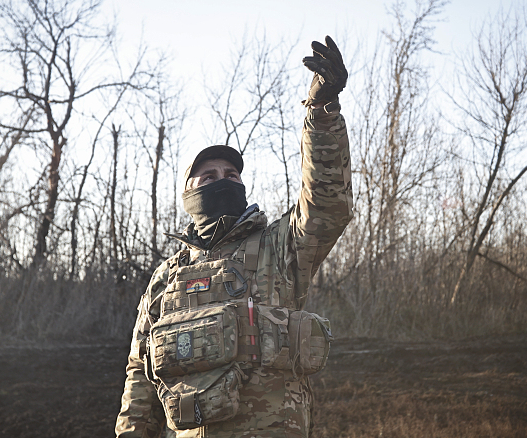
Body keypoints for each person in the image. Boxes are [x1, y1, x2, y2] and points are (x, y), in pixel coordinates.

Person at [115, 36, 354, 438]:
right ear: (190, 194)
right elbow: (141, 375)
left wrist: (322, 112)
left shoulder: (279, 249)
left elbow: (328, 203)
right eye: (209, 177)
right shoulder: (165, 279)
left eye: (231, 176)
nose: (222, 181)